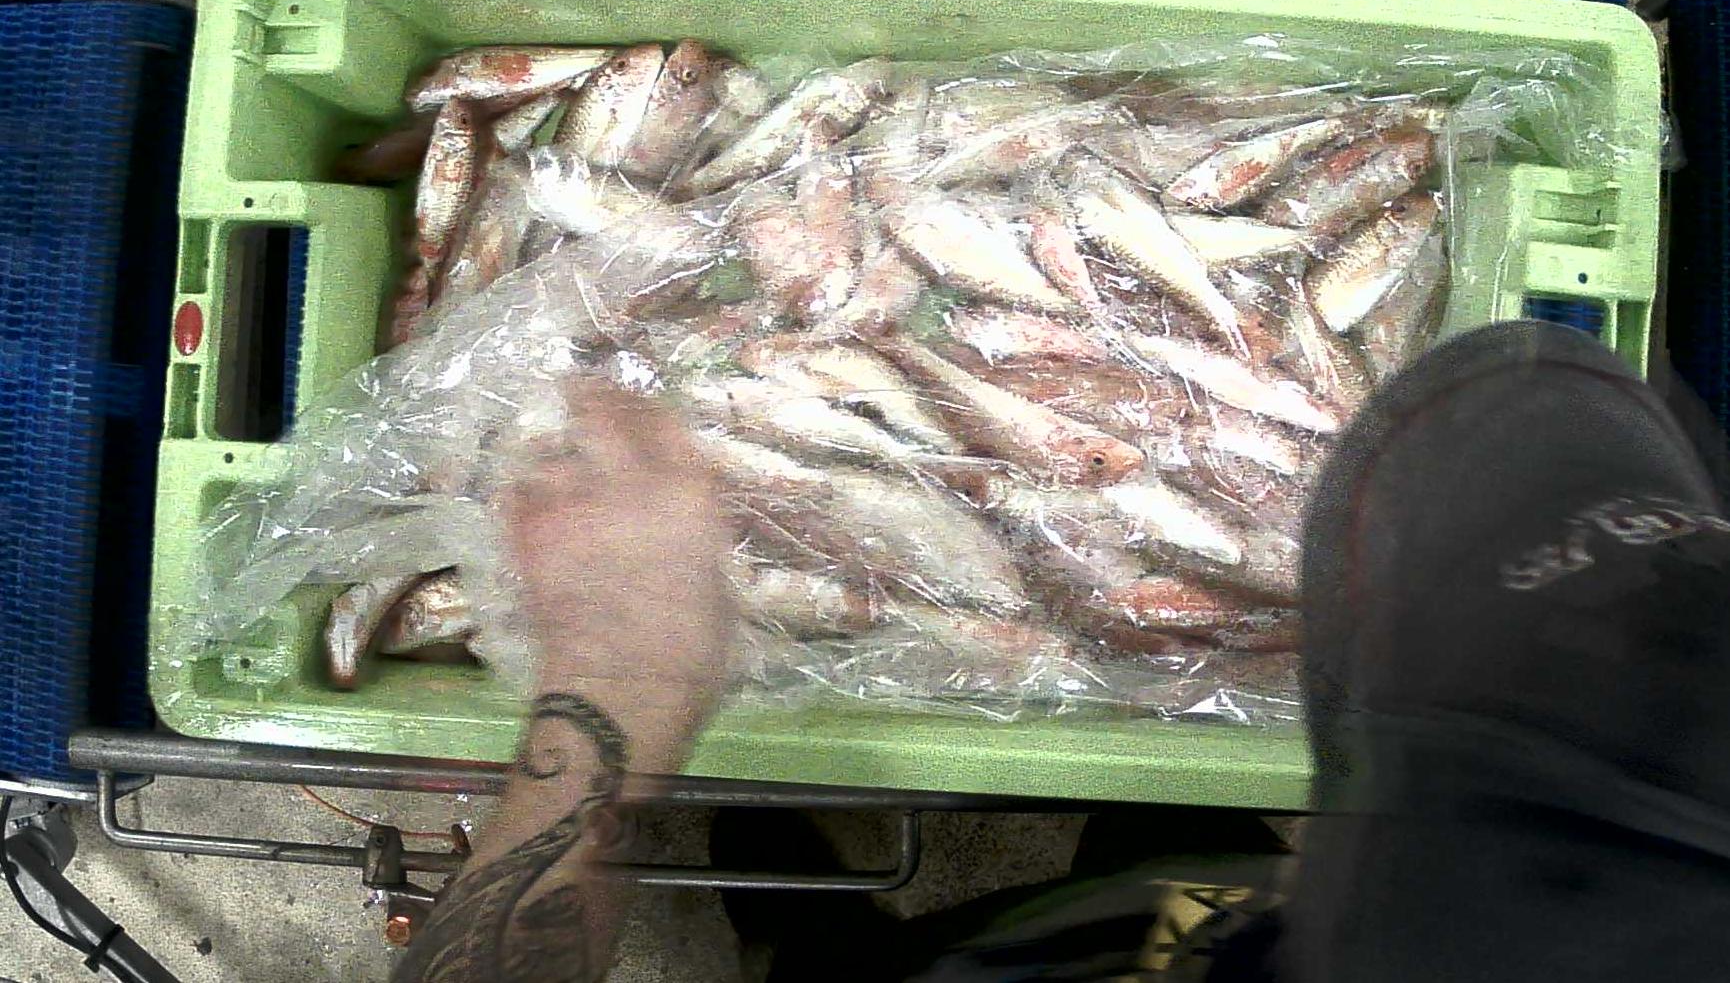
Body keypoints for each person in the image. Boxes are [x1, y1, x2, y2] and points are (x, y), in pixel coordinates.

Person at [391, 320, 1730, 982]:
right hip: (1218, 931)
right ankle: (1119, 841)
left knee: (834, 960)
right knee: (1170, 853)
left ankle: (803, 929)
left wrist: (622, 672)